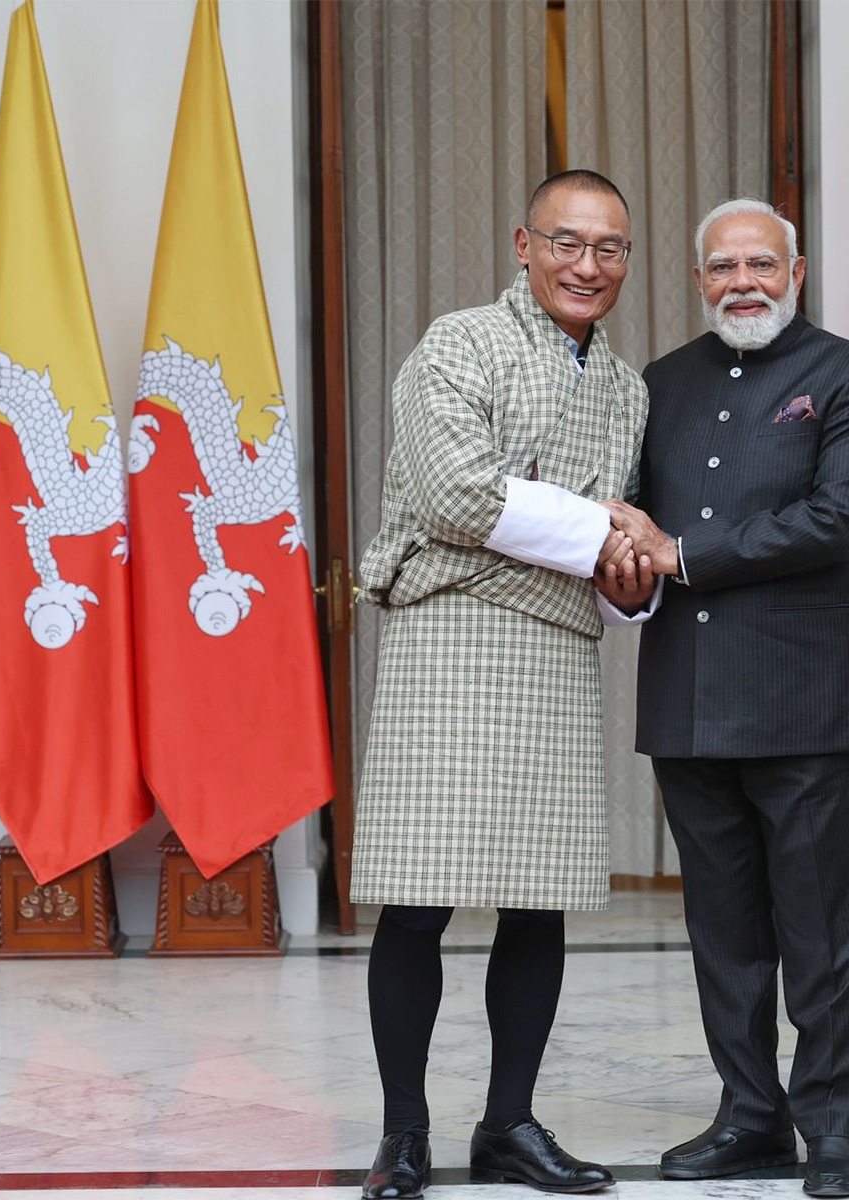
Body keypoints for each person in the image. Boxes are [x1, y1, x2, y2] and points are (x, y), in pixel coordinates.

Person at [351, 170, 660, 1200]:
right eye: (566, 242)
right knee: (418, 897)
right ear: (524, 246)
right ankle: (402, 1133)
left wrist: (626, 576)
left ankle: (509, 1125)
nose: (587, 265)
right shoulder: (460, 344)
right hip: (448, 636)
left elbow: (614, 549)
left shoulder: (626, 389)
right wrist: (602, 531)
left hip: (558, 647)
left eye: (609, 248)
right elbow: (453, 495)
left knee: (540, 901)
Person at [601, 198, 849, 1198]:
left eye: (761, 264)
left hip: (812, 704)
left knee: (824, 932)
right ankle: (750, 1117)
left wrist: (680, 554)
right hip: (688, 702)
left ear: (795, 273)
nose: (743, 283)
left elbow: (835, 520)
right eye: (723, 267)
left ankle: (834, 1128)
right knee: (724, 936)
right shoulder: (660, 384)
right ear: (698, 280)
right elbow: (636, 527)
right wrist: (626, 572)